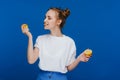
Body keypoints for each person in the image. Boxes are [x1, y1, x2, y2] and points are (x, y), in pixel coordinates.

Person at [21, 7, 91, 80]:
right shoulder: (40, 39)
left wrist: (79, 58)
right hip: (41, 78)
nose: (44, 20)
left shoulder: (69, 42)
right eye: (45, 17)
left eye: (49, 18)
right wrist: (30, 37)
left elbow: (69, 67)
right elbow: (31, 60)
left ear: (58, 22)